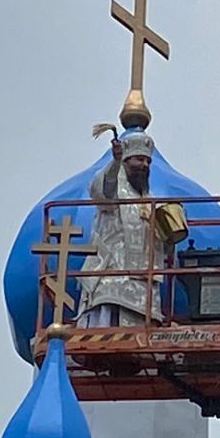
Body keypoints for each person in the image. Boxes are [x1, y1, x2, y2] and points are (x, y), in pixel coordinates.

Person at [76, 131, 168, 328]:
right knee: (108, 326)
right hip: (112, 275)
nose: (144, 165)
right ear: (125, 161)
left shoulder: (148, 198)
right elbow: (103, 192)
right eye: (139, 159)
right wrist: (114, 162)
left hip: (143, 284)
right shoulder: (115, 188)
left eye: (147, 162)